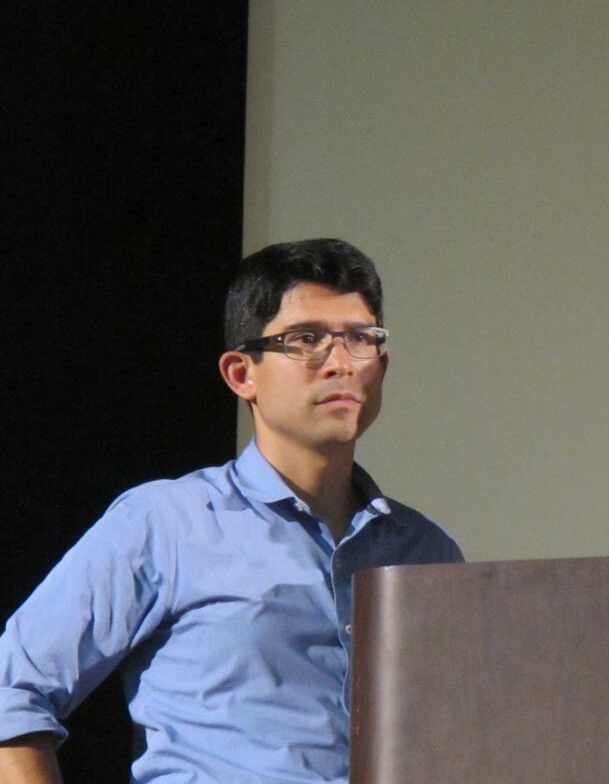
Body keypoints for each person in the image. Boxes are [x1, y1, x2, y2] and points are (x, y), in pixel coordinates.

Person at [0, 238, 463, 783]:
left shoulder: (426, 552)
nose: (341, 363)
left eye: (360, 339)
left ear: (381, 364)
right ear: (242, 374)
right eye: (307, 339)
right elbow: (13, 690)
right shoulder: (167, 522)